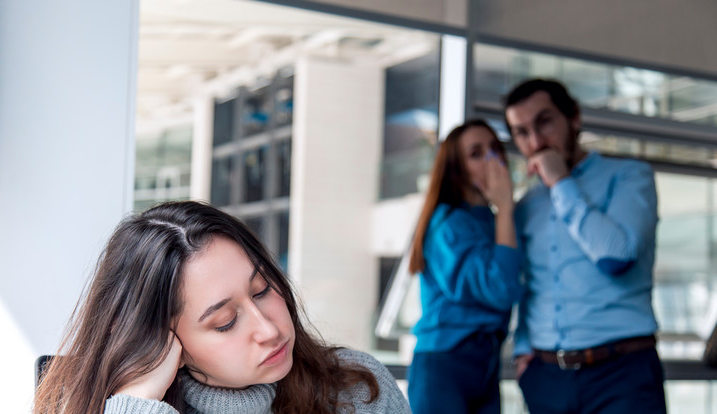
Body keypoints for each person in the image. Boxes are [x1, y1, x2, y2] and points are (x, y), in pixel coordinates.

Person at [33, 201, 411, 414]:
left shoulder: (357, 390)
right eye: (225, 322)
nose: (270, 330)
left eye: (262, 289)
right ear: (161, 339)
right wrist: (138, 405)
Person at [505, 79, 666, 413]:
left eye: (545, 122)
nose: (535, 141)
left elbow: (615, 256)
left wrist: (561, 182)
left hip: (621, 374)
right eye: (521, 132)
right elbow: (530, 286)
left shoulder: (630, 177)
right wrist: (523, 352)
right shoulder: (526, 207)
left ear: (574, 118)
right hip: (546, 379)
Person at [406, 119, 522, 414]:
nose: (493, 159)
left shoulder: (492, 220)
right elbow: (501, 289)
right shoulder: (449, 223)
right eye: (476, 153)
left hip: (486, 360)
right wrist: (506, 208)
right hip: (446, 363)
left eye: (496, 148)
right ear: (457, 169)